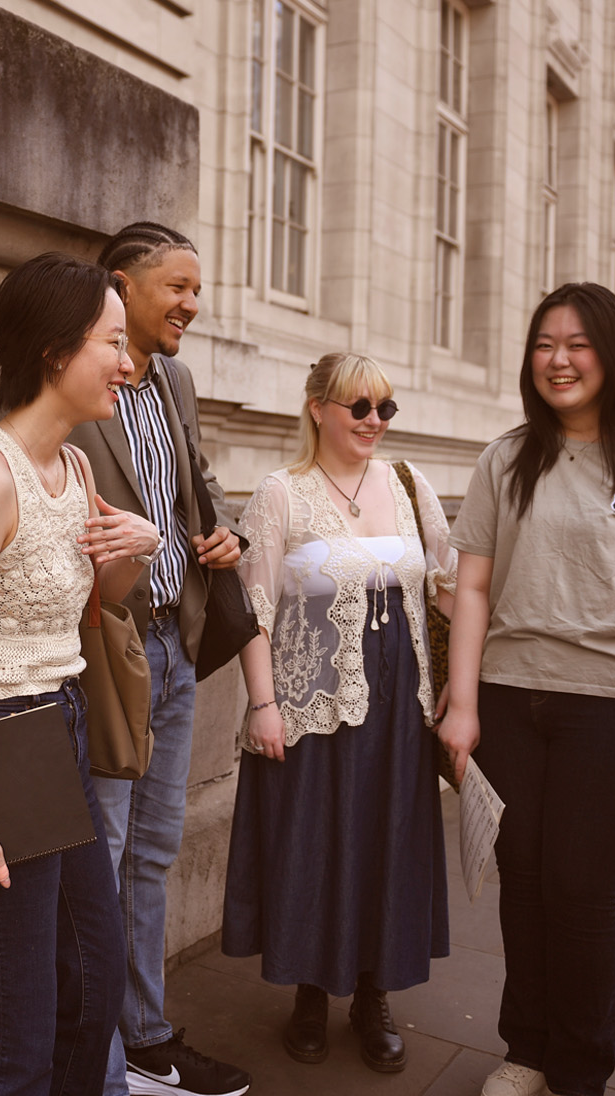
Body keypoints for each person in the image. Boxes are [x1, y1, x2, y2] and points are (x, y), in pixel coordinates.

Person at [436, 282, 615, 1096]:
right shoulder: (506, 458)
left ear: (612, 355)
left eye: (578, 344)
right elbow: (473, 589)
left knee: (581, 893)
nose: (558, 360)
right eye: (544, 344)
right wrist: (462, 705)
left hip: (612, 712)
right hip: (512, 700)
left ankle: (581, 1071)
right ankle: (528, 1050)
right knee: (521, 883)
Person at [0, 251, 163, 1096]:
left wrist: (136, 548)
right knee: (11, 1026)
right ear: (57, 351)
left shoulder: (79, 467)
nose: (128, 365)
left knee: (91, 985)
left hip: (59, 724)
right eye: (113, 342)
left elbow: (98, 603)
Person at [224, 352, 456, 1070]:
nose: (375, 422)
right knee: (319, 848)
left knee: (387, 847)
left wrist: (461, 689)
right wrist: (263, 705)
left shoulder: (411, 485)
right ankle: (310, 995)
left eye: (386, 408)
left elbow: (448, 589)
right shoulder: (279, 494)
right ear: (318, 407)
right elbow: (253, 612)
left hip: (400, 715)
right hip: (313, 706)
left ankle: (373, 994)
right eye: (360, 407)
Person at [66, 223, 251, 1096]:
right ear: (121, 285)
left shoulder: (174, 379)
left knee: (153, 851)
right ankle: (99, 1061)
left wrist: (224, 535)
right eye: (176, 287)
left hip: (176, 648)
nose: (191, 305)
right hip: (109, 657)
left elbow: (196, 487)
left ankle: (145, 1037)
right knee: (103, 851)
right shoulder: (69, 373)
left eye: (198, 290)